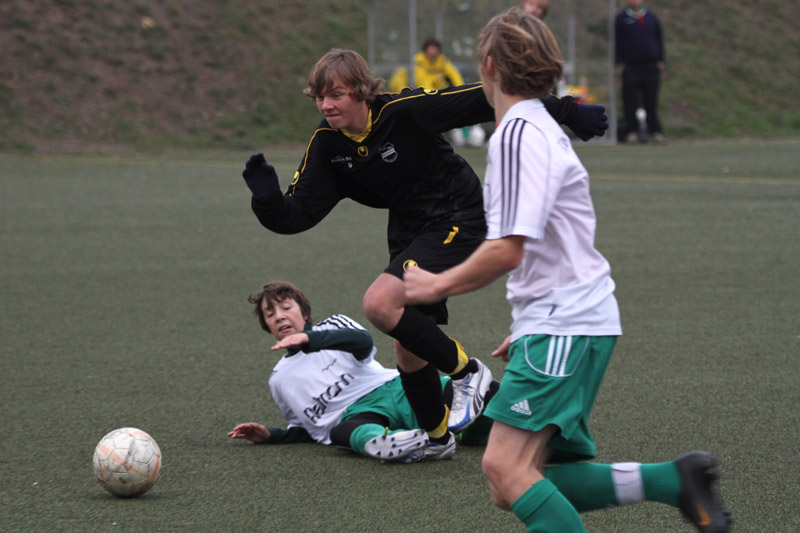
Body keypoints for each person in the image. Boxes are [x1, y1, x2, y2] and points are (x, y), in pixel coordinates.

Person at [405, 8, 730, 532]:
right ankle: (673, 480)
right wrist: (530, 323)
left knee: (504, 467)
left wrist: (435, 284)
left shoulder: (517, 134)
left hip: (566, 321)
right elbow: (548, 240)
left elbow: (508, 249)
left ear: (488, 65)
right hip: (565, 318)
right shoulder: (535, 127)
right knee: (514, 480)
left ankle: (674, 480)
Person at [241, 48, 607, 467]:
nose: (325, 105)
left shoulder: (404, 111)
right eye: (319, 97)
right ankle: (437, 439)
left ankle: (468, 374)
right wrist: (267, 200)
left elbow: (486, 96)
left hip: (457, 213)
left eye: (336, 95)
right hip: (410, 230)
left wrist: (566, 110)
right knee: (408, 346)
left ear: (361, 91)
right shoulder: (327, 145)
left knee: (379, 303)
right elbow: (300, 214)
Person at [228, 281, 496, 462]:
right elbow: (308, 429)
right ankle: (392, 443)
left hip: (397, 389)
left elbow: (363, 342)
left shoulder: (332, 325)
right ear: (267, 326)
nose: (279, 316)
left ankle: (474, 432)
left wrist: (311, 340)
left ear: (305, 313)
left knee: (488, 393)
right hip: (357, 415)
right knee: (341, 432)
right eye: (270, 314)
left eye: (286, 308)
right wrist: (271, 436)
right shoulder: (279, 380)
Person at [615, 0, 666, 143]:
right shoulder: (621, 19)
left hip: (651, 66)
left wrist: (661, 59)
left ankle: (654, 131)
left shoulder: (651, 17)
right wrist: (619, 61)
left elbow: (659, 38)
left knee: (651, 101)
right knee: (630, 101)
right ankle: (632, 131)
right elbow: (616, 41)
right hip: (631, 66)